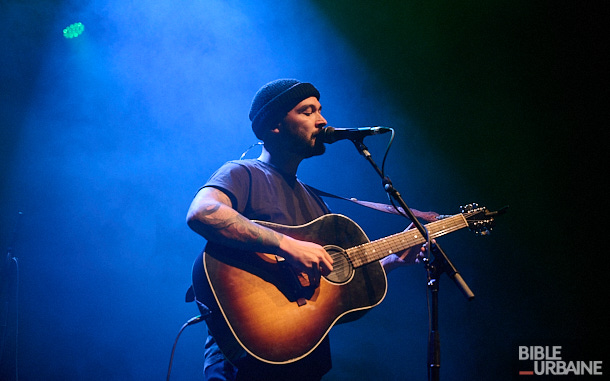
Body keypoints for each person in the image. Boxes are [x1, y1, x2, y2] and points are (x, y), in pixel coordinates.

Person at [186, 79, 437, 380]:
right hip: (246, 357)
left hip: (304, 359)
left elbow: (333, 288)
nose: (322, 120)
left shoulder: (314, 202)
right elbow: (201, 213)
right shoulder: (243, 173)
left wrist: (391, 261)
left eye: (320, 110)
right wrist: (287, 246)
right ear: (274, 126)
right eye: (307, 111)